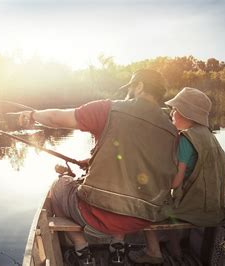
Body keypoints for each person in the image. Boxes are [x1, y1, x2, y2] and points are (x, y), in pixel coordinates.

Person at [17, 69, 178, 265]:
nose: (129, 92)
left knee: (58, 186)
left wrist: (33, 115)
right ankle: (117, 245)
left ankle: (81, 248)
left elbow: (55, 118)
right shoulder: (171, 129)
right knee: (128, 193)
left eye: (131, 87)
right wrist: (93, 159)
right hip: (143, 219)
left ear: (140, 86)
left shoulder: (108, 109)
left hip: (96, 216)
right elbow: (140, 162)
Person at [128, 87, 225, 264]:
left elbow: (175, 183)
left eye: (175, 109)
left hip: (195, 210)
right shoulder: (210, 136)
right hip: (216, 209)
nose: (172, 113)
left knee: (144, 204)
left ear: (186, 114)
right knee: (169, 202)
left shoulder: (185, 139)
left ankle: (154, 253)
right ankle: (175, 248)